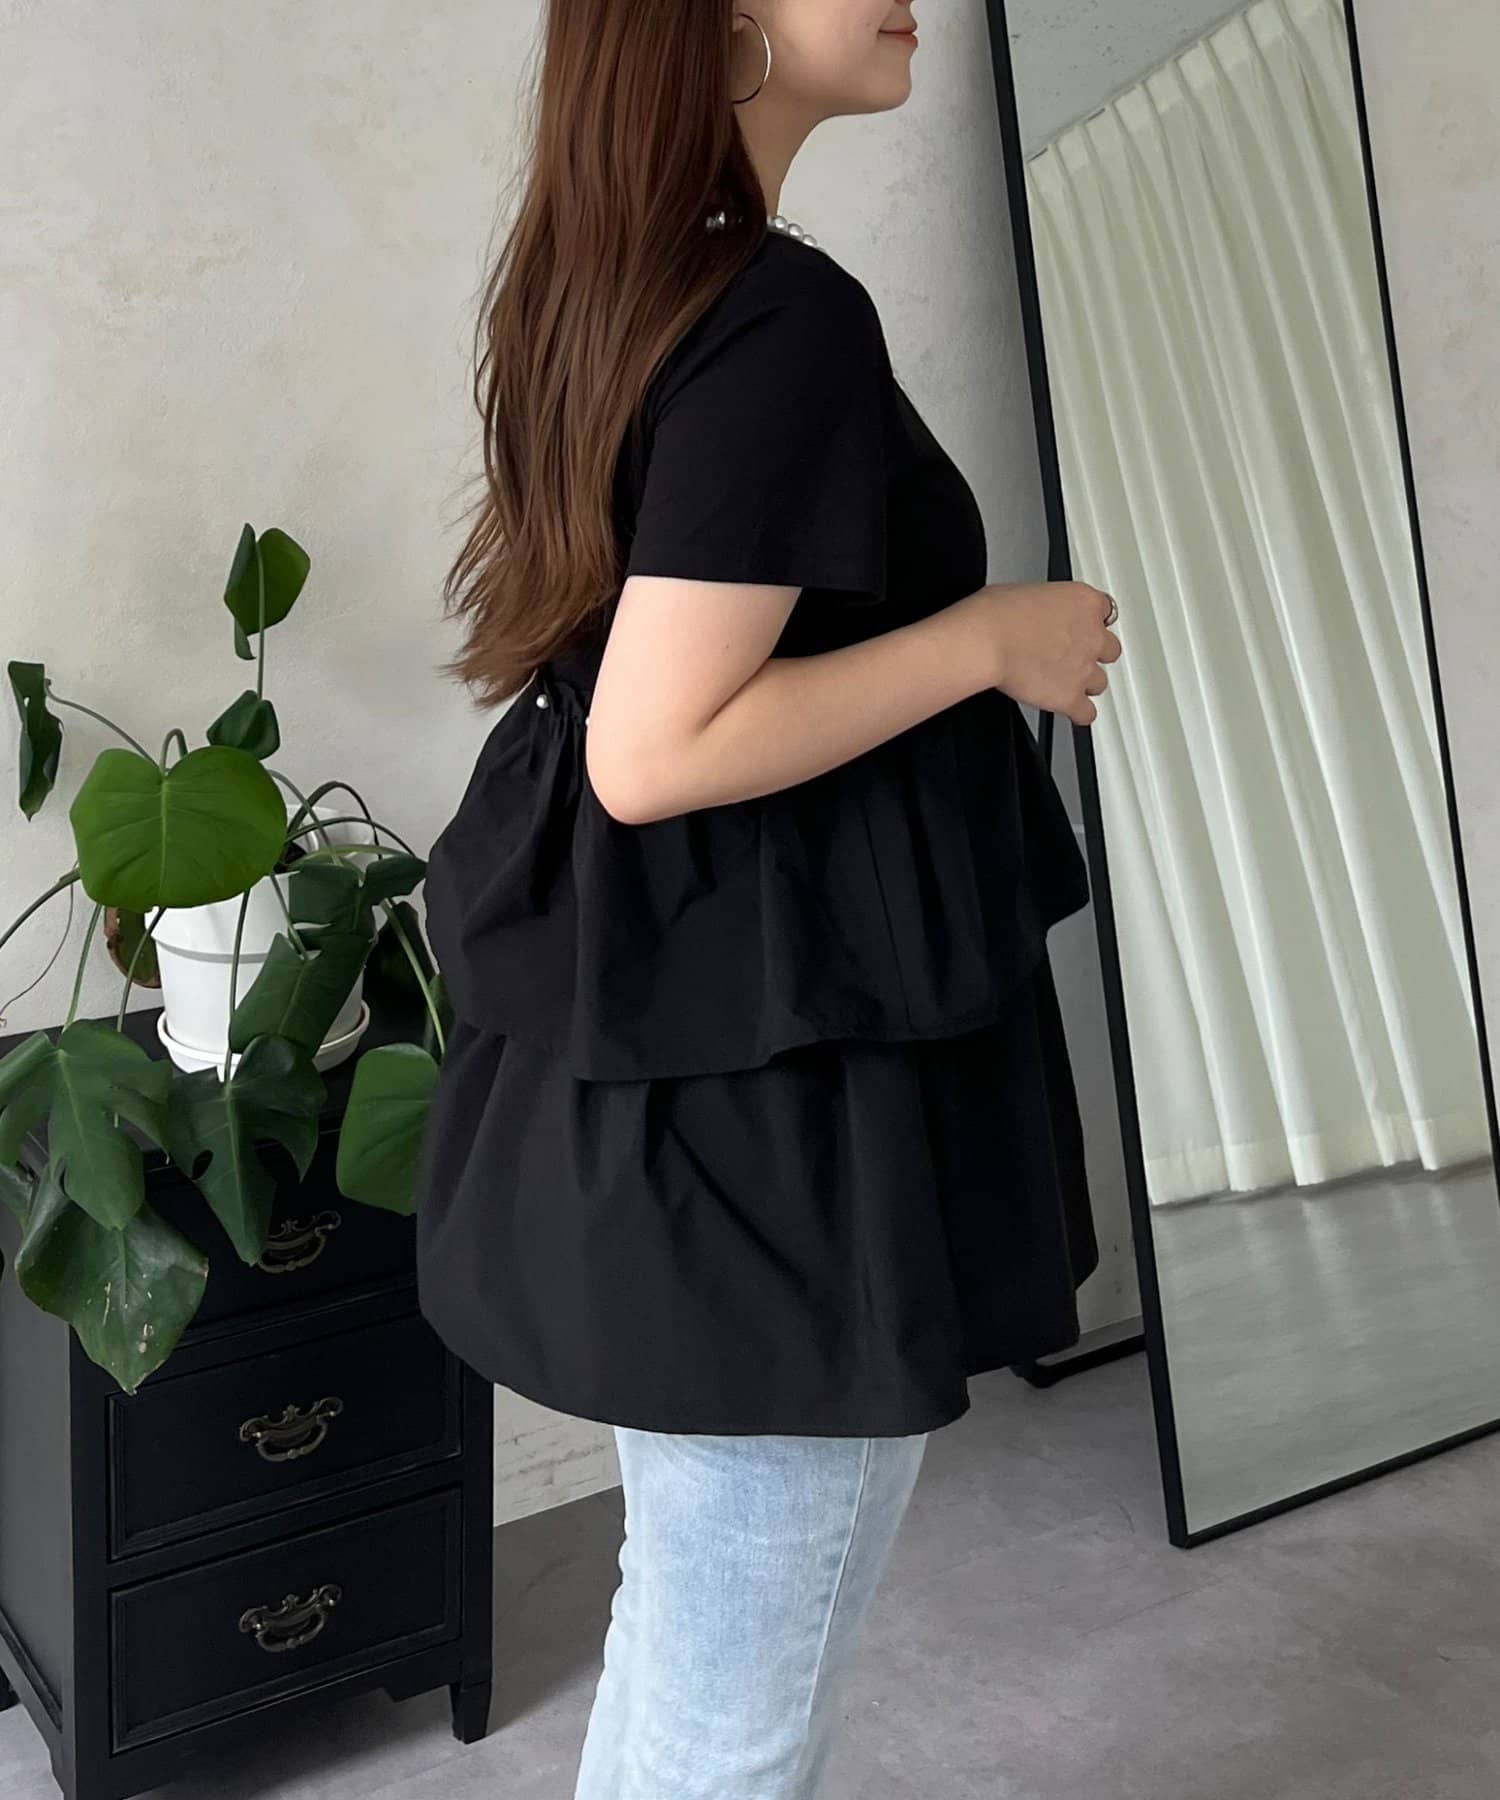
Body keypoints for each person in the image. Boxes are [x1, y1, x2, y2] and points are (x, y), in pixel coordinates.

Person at [413, 2, 1122, 1794]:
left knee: (694, 1634)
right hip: (768, 1100)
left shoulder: (604, 276)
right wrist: (989, 638)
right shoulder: (778, 315)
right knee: (736, 1703)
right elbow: (653, 750)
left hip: (685, 1050)